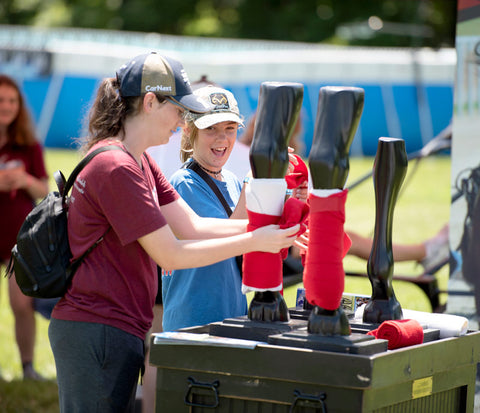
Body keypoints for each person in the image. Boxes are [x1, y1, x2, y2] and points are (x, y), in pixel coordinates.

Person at [47, 52, 300, 412]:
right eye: (178, 108)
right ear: (150, 102)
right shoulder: (117, 166)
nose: (183, 120)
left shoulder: (140, 160)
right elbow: (171, 253)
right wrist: (256, 239)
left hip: (116, 325)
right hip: (96, 326)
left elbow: (194, 226)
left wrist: (275, 230)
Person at [0, 74, 49, 380]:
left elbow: (44, 188)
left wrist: (25, 181)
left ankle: (28, 367)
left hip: (18, 238)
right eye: (1, 100)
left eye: (11, 101)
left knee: (22, 303)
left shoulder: (29, 144)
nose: (6, 106)